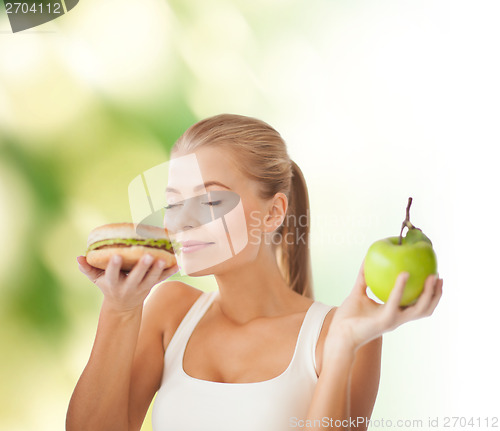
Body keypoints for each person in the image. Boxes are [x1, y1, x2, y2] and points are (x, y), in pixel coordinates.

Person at [66, 114, 443, 431]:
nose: (181, 222)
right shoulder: (171, 310)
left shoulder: (340, 333)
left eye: (211, 200)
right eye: (172, 203)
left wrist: (344, 344)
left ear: (275, 213)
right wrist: (120, 309)